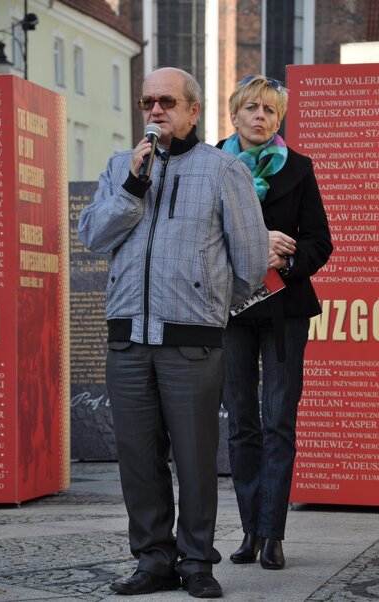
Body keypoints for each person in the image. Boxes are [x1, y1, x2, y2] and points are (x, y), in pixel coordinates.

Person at [78, 67, 268, 598]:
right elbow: (92, 236)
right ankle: (153, 560)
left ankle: (197, 562)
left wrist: (207, 303)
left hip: (192, 341)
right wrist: (132, 187)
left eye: (166, 101)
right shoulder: (120, 166)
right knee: (139, 460)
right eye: (148, 102)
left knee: (195, 458)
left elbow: (252, 261)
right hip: (128, 340)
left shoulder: (223, 170)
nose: (155, 110)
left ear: (193, 110)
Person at [217, 75, 333, 570]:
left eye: (269, 110)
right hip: (229, 310)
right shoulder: (213, 166)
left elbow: (320, 241)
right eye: (252, 108)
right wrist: (256, 241)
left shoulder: (299, 168)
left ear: (278, 119)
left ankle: (273, 534)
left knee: (279, 422)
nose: (260, 116)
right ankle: (249, 531)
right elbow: (199, 236)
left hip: (284, 310)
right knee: (242, 423)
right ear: (234, 115)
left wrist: (286, 259)